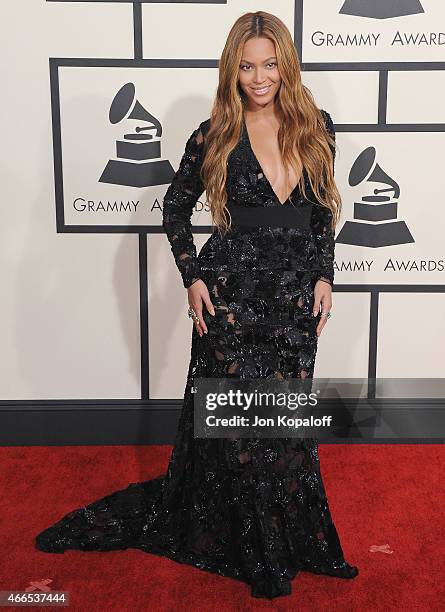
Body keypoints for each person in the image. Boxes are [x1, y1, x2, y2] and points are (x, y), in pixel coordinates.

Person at [35, 11, 358, 600]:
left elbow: (321, 215)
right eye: (246, 65)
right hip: (231, 296)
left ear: (285, 64)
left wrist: (325, 274)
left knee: (284, 424)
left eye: (269, 64)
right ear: (231, 69)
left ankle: (302, 540)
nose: (258, 77)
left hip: (293, 303)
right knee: (238, 425)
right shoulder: (214, 136)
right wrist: (192, 278)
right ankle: (257, 552)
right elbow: (174, 210)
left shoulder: (318, 128)